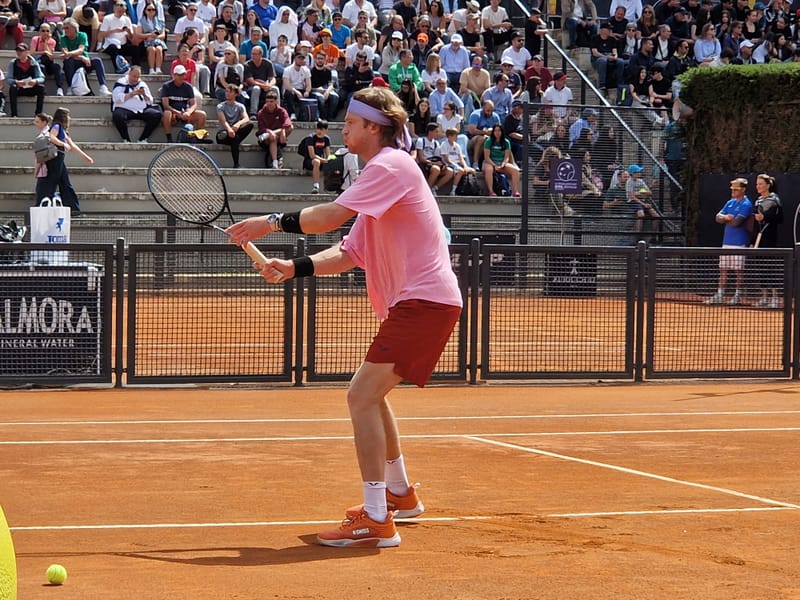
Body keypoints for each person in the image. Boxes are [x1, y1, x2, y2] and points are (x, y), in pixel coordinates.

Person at [226, 86, 462, 548]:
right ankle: (399, 495)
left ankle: (376, 518)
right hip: (419, 303)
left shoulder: (392, 165)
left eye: (351, 123)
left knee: (360, 395)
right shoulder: (379, 177)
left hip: (424, 301)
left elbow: (330, 216)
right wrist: (294, 267)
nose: (343, 129)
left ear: (374, 127)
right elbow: (350, 250)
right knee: (373, 396)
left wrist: (269, 222)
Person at [36, 106, 93, 215]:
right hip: (54, 158)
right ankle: (42, 208)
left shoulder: (63, 130)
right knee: (50, 183)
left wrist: (86, 157)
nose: (69, 118)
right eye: (68, 116)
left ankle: (73, 209)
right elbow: (51, 137)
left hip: (59, 159)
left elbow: (72, 145)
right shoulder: (56, 126)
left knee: (65, 184)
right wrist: (63, 144)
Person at [706, 177, 753, 305]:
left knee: (739, 271)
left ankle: (738, 295)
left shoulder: (746, 204)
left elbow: (737, 223)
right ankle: (720, 294)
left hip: (740, 242)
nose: (733, 191)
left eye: (736, 189)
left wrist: (725, 218)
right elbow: (717, 217)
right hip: (726, 241)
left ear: (743, 190)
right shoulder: (729, 202)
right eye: (732, 188)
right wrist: (727, 217)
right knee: (723, 269)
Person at [752, 173, 783, 308]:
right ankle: (764, 297)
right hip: (760, 239)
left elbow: (780, 219)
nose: (758, 186)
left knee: (770, 267)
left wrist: (764, 217)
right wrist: (753, 240)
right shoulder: (758, 201)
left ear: (768, 185)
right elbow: (755, 222)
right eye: (757, 184)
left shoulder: (775, 200)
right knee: (761, 268)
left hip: (770, 237)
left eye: (760, 184)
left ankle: (775, 298)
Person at [60, 18, 112, 96]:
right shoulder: (63, 38)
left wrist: (71, 54)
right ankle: (70, 87)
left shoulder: (82, 35)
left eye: (67, 28)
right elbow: (66, 55)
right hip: (74, 64)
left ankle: (103, 87)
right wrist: (81, 58)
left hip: (85, 63)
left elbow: (80, 50)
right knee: (68, 61)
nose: (65, 30)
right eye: (64, 28)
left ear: (74, 28)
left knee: (97, 60)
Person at [111, 65, 161, 143]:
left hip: (141, 110)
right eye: (134, 76)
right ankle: (126, 139)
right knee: (117, 116)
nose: (135, 79)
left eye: (137, 77)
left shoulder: (142, 84)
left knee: (156, 114)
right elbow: (116, 99)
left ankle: (143, 139)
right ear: (129, 74)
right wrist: (132, 94)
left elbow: (150, 101)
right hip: (125, 109)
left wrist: (144, 95)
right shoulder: (121, 82)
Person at [160, 64, 207, 143]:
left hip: (185, 112)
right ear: (174, 75)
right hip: (173, 114)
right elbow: (166, 105)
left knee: (202, 115)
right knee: (167, 113)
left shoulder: (188, 87)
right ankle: (169, 138)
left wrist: (188, 112)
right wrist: (177, 113)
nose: (182, 77)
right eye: (180, 75)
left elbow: (194, 104)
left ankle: (198, 138)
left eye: (183, 74)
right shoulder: (166, 86)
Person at [215, 83, 253, 168]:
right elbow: (223, 121)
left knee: (249, 125)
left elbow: (246, 118)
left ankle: (236, 164)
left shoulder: (240, 106)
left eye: (230, 92)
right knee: (233, 137)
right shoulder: (220, 106)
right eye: (227, 91)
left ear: (236, 94)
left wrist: (238, 124)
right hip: (224, 133)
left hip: (235, 132)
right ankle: (236, 164)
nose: (227, 93)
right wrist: (229, 129)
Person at [99, 1, 142, 73]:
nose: (121, 13)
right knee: (113, 48)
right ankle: (118, 68)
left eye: (122, 11)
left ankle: (136, 68)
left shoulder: (127, 19)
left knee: (135, 48)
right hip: (110, 44)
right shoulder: (107, 18)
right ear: (114, 8)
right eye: (119, 11)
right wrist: (114, 31)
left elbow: (131, 38)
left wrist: (128, 32)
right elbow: (102, 34)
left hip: (123, 45)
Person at [255, 89, 292, 168]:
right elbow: (261, 128)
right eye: (267, 101)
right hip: (265, 137)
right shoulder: (261, 113)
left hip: (277, 134)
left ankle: (276, 161)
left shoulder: (282, 111)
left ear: (276, 101)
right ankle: (276, 161)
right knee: (272, 138)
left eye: (271, 101)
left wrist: (282, 131)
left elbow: (287, 122)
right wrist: (269, 132)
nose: (269, 104)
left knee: (290, 127)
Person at [482, 123, 520, 197]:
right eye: (495, 131)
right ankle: (491, 191)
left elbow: (506, 157)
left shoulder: (506, 142)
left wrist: (503, 164)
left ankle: (515, 191)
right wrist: (494, 165)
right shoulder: (488, 141)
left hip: (501, 163)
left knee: (515, 171)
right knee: (489, 170)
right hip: (490, 162)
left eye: (499, 131)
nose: (497, 132)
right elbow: (487, 157)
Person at [415, 121, 452, 193]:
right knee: (436, 169)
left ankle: (434, 188)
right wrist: (434, 163)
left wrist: (442, 164)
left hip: (433, 163)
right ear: (430, 132)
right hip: (425, 164)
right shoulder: (421, 141)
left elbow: (437, 157)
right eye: (436, 131)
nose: (438, 134)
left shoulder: (436, 143)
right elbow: (421, 159)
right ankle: (427, 191)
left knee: (450, 172)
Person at [29, 22, 65, 97]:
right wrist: (44, 52)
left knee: (57, 67)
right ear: (39, 32)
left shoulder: (52, 41)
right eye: (43, 31)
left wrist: (45, 43)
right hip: (38, 63)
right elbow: (32, 53)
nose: (45, 33)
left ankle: (59, 88)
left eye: (47, 31)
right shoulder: (35, 39)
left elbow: (50, 56)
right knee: (41, 66)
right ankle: (42, 89)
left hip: (48, 63)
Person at [244, 44, 278, 117]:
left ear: (261, 55)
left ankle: (278, 111)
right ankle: (253, 113)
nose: (252, 56)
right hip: (252, 88)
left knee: (275, 89)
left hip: (265, 86)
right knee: (256, 88)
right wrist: (264, 86)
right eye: (252, 54)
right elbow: (251, 81)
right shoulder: (247, 65)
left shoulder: (268, 63)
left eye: (255, 54)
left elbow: (272, 78)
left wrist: (269, 85)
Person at [625, 163, 660, 233]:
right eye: (638, 172)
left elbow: (649, 192)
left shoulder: (640, 181)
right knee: (641, 214)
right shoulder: (629, 182)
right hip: (633, 202)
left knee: (656, 216)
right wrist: (643, 203)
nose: (639, 173)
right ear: (633, 173)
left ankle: (653, 236)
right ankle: (638, 235)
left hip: (642, 200)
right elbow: (631, 196)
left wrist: (639, 192)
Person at [299, 119, 331, 193]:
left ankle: (332, 187)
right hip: (310, 162)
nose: (319, 131)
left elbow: (328, 154)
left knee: (334, 162)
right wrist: (324, 160)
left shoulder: (326, 139)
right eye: (318, 128)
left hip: (321, 161)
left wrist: (330, 160)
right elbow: (312, 155)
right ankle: (316, 186)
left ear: (326, 130)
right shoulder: (310, 138)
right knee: (316, 161)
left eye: (321, 129)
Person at [136, 2, 168, 74]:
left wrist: (154, 37)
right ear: (145, 11)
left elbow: (163, 35)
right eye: (149, 9)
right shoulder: (141, 21)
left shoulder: (160, 22)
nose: (151, 11)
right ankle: (151, 69)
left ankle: (158, 68)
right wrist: (148, 36)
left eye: (153, 10)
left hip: (158, 41)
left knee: (159, 49)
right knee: (152, 49)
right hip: (146, 42)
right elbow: (138, 34)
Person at [309, 50, 339, 120]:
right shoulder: (311, 71)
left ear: (325, 60)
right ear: (315, 59)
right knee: (320, 97)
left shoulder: (328, 71)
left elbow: (331, 84)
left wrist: (327, 92)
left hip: (325, 89)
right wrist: (318, 90)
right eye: (318, 58)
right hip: (314, 91)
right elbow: (308, 88)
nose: (320, 60)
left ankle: (330, 117)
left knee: (335, 96)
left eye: (321, 59)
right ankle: (322, 117)